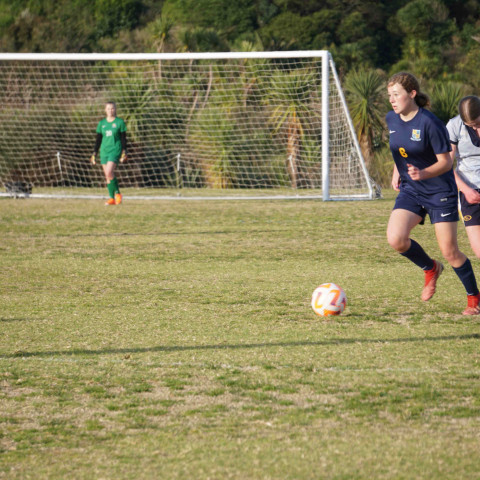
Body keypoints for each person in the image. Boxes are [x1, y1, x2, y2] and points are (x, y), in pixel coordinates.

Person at [385, 72, 480, 315]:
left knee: (450, 251)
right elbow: (402, 149)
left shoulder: (431, 123)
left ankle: (473, 298)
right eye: (389, 95)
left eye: (396, 94)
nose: (392, 100)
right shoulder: (391, 119)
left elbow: (446, 163)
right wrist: (397, 169)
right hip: (411, 190)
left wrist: (423, 173)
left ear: (412, 94)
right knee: (396, 239)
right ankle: (430, 268)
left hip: (440, 192)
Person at [447, 96, 480, 259]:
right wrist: (466, 190)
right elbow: (445, 165)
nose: (474, 128)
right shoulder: (454, 125)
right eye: (470, 125)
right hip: (469, 191)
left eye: (477, 123)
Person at [91, 102, 127, 205]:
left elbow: (123, 138)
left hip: (115, 150)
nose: (110, 110)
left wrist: (124, 151)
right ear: (105, 110)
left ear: (115, 109)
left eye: (112, 108)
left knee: (108, 172)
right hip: (104, 151)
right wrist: (94, 153)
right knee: (108, 176)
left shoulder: (119, 122)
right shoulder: (101, 123)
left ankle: (118, 194)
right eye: (108, 108)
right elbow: (98, 140)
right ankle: (112, 198)